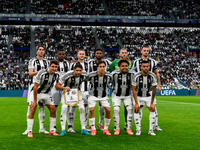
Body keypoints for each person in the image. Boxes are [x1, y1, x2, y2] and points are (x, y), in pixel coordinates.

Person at [131, 44, 162, 131]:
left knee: (153, 107)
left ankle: (156, 125)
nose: (146, 52)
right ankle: (138, 128)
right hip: (139, 88)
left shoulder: (152, 62)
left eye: (147, 51)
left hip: (150, 88)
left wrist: (159, 85)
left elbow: (157, 73)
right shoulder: (136, 62)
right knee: (138, 108)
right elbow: (133, 73)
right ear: (141, 51)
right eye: (144, 50)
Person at [55, 63, 90, 136]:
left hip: (77, 92)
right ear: (74, 70)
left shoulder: (84, 75)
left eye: (80, 70)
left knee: (82, 108)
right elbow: (57, 85)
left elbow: (89, 79)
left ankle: (83, 129)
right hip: (67, 92)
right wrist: (65, 88)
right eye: (76, 70)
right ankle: (63, 129)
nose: (78, 72)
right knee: (64, 109)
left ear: (82, 71)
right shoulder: (67, 75)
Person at [27, 60, 60, 138]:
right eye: (53, 66)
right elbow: (35, 87)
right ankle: (29, 131)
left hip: (46, 94)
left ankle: (52, 130)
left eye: (56, 67)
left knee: (53, 109)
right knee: (33, 109)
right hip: (36, 93)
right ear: (49, 66)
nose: (54, 68)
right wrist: (35, 101)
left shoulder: (57, 75)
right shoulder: (41, 73)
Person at [23, 45, 49, 135]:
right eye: (40, 50)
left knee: (42, 107)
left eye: (43, 50)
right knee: (31, 106)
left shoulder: (46, 61)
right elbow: (30, 74)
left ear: (44, 51)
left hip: (43, 87)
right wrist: (39, 72)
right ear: (37, 51)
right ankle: (28, 129)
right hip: (33, 86)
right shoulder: (32, 61)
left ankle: (41, 128)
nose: (41, 51)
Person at [107, 48, 133, 130]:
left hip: (127, 88)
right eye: (123, 53)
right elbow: (109, 72)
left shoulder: (131, 62)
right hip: (117, 87)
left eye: (126, 53)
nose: (124, 54)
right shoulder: (114, 63)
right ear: (119, 54)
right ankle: (116, 126)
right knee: (116, 109)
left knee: (127, 108)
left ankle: (126, 123)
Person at [88, 49, 112, 130]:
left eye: (103, 67)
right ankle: (92, 126)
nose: (102, 68)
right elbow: (84, 79)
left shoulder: (109, 74)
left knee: (106, 109)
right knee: (90, 109)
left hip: (103, 95)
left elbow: (113, 80)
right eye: (100, 67)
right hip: (93, 94)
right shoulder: (91, 73)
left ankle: (102, 125)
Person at [132, 60, 157, 136]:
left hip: (148, 96)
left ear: (149, 67)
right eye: (144, 66)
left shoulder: (152, 76)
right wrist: (136, 103)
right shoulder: (136, 76)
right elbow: (133, 89)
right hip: (138, 96)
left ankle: (151, 130)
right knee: (136, 109)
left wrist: (152, 103)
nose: (145, 68)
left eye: (147, 66)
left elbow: (154, 89)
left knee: (153, 108)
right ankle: (138, 129)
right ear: (141, 67)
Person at [68, 49, 90, 133]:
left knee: (84, 108)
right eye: (80, 54)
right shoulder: (72, 65)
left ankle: (85, 126)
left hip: (85, 89)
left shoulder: (88, 64)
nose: (81, 55)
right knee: (72, 108)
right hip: (74, 90)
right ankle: (70, 126)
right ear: (77, 55)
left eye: (83, 54)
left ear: (85, 55)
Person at [111, 59, 135, 135]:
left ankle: (129, 128)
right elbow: (107, 79)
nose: (124, 67)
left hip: (127, 95)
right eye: (122, 66)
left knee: (130, 110)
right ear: (119, 67)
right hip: (116, 95)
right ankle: (117, 128)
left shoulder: (132, 74)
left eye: (126, 66)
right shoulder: (114, 74)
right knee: (116, 110)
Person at [51, 50, 70, 131]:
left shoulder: (68, 63)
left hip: (65, 88)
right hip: (55, 88)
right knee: (54, 107)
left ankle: (68, 126)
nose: (61, 55)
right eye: (60, 54)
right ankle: (53, 126)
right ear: (57, 55)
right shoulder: (54, 64)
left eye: (63, 54)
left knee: (65, 107)